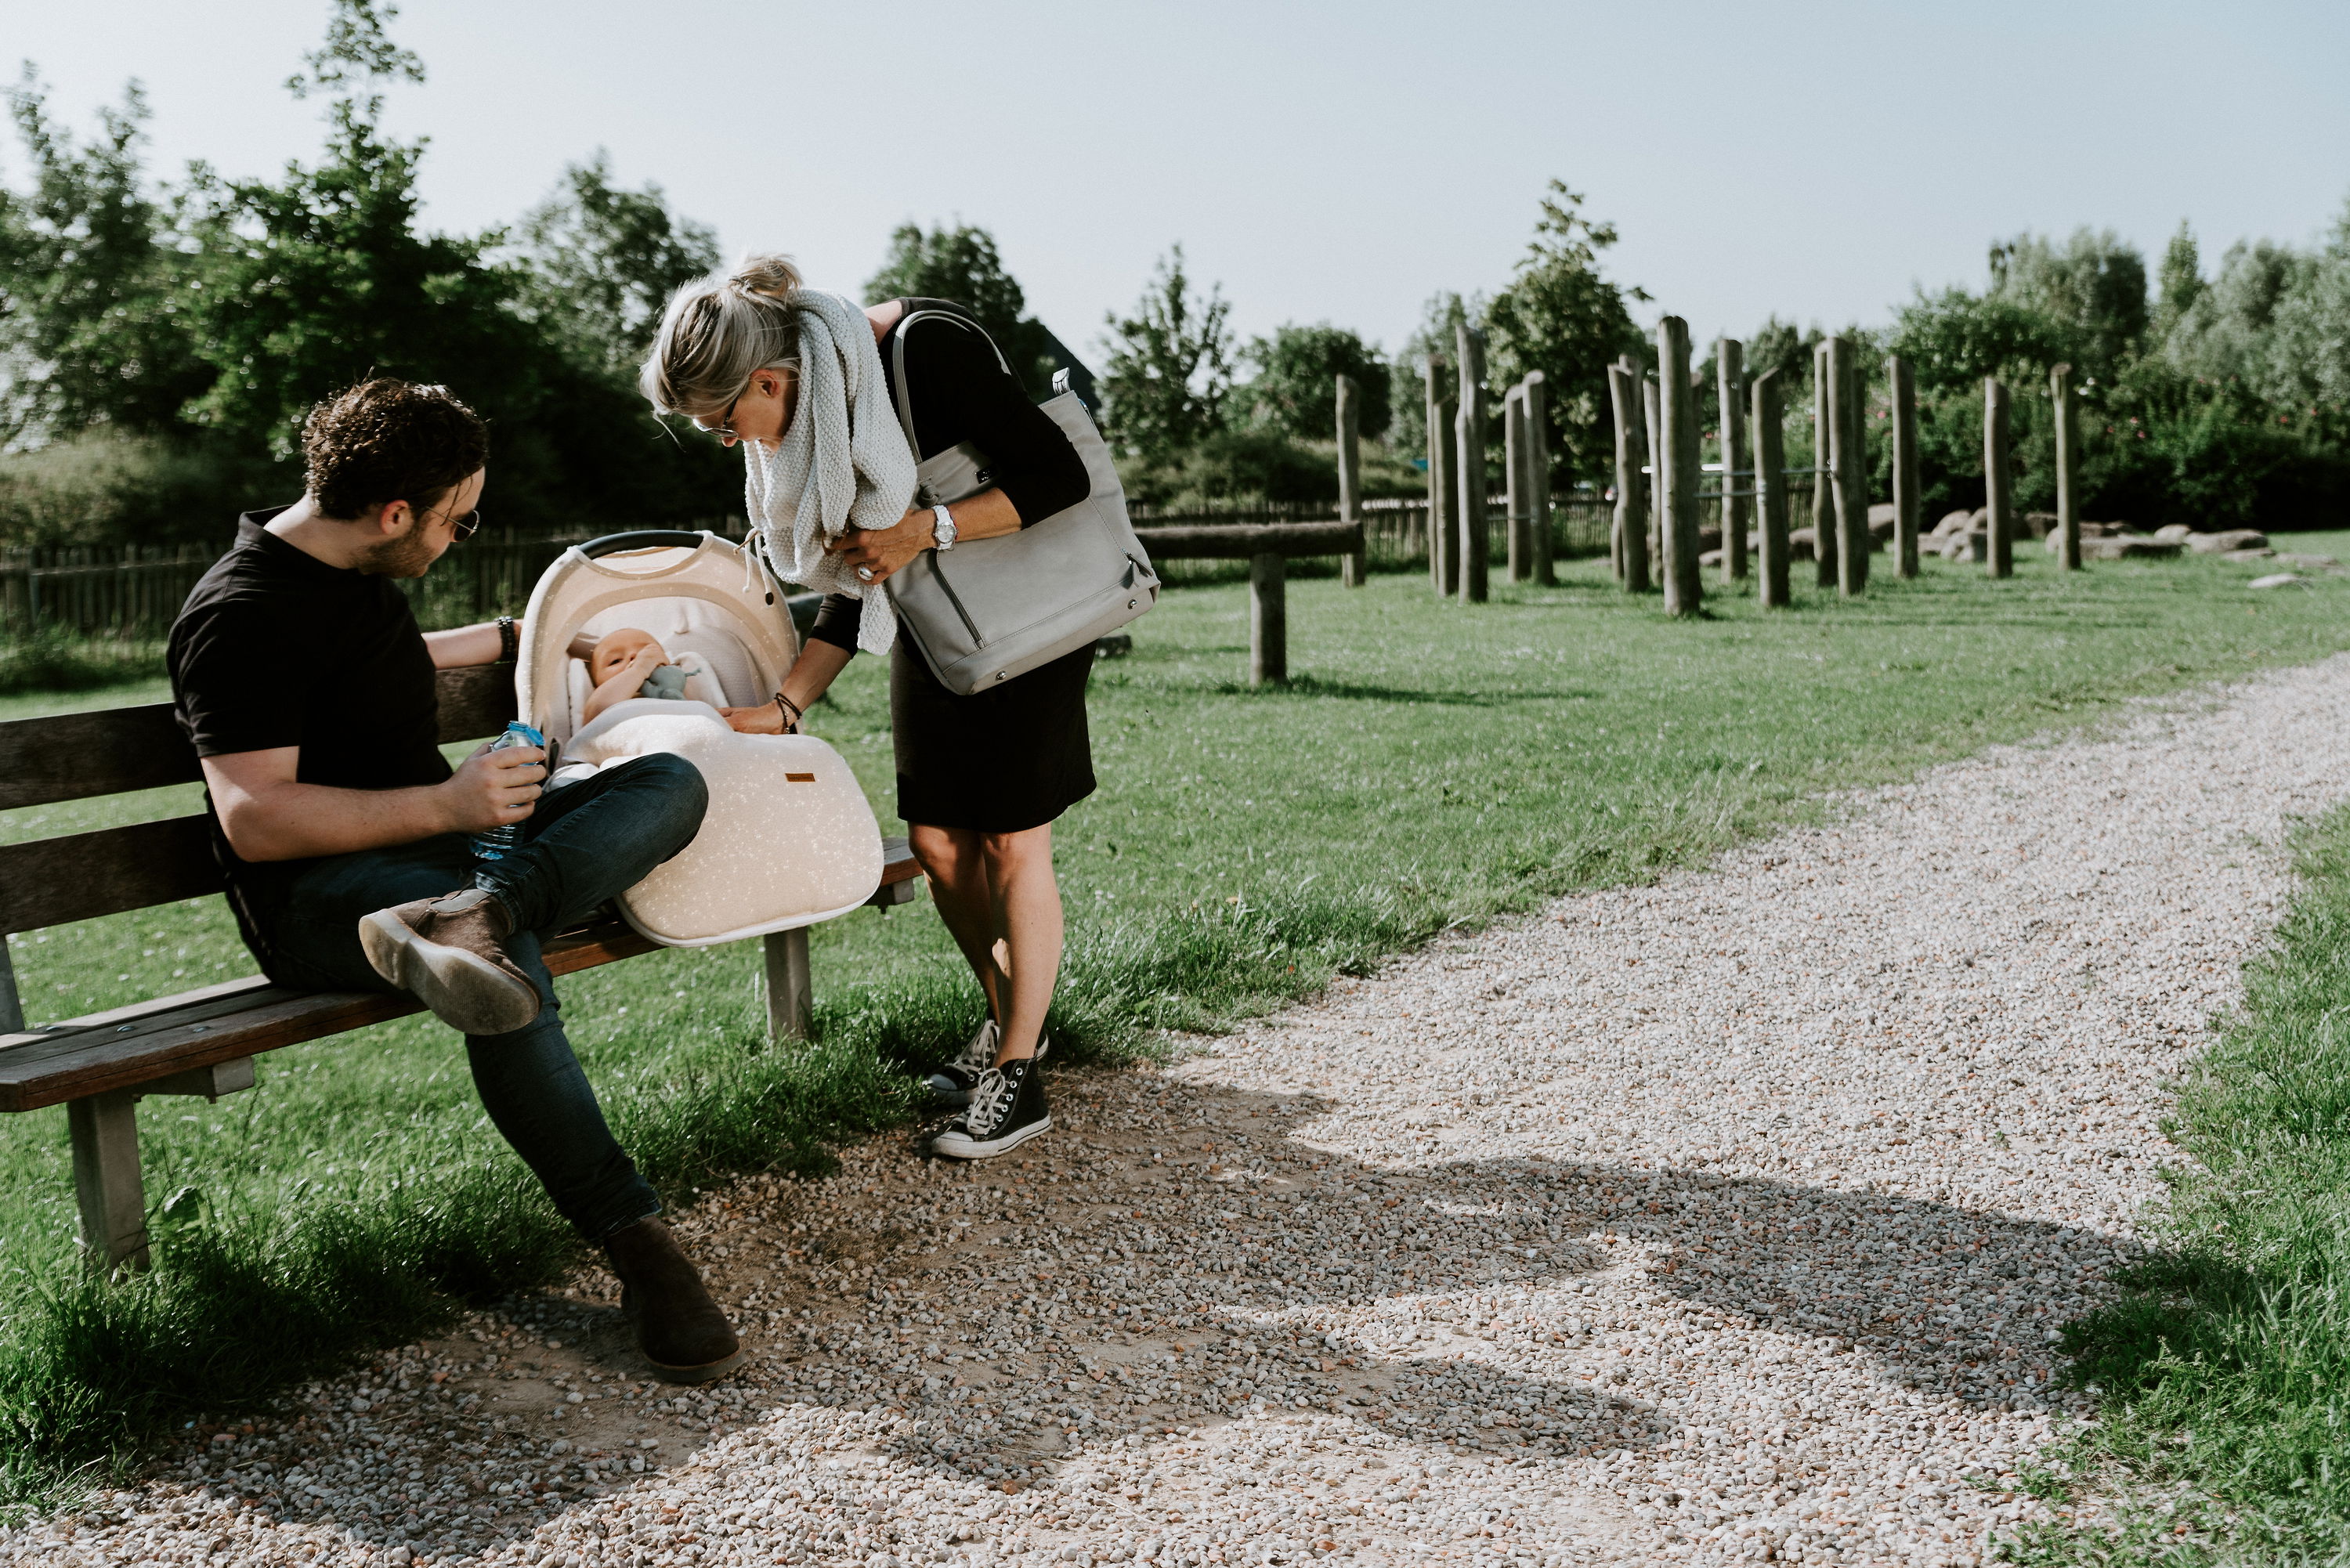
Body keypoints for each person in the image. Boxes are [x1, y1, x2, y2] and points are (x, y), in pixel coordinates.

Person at [167, 378, 744, 1384]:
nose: (458, 535)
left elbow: (371, 664)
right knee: (501, 952)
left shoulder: (343, 571)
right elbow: (255, 820)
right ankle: (641, 1248)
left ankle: (482, 908)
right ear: (395, 513)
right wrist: (451, 806)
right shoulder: (240, 615)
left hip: (442, 865)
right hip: (321, 901)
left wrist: (531, 641)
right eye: (457, 520)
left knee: (668, 784)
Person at [641, 256, 1094, 1162]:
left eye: (725, 423)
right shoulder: (812, 422)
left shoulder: (923, 352)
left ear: (769, 381)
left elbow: (1060, 477)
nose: (732, 445)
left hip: (1029, 610)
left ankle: (1017, 1073)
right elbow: (859, 572)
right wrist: (787, 704)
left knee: (1010, 839)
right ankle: (1019, 1022)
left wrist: (926, 528)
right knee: (935, 843)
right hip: (934, 616)